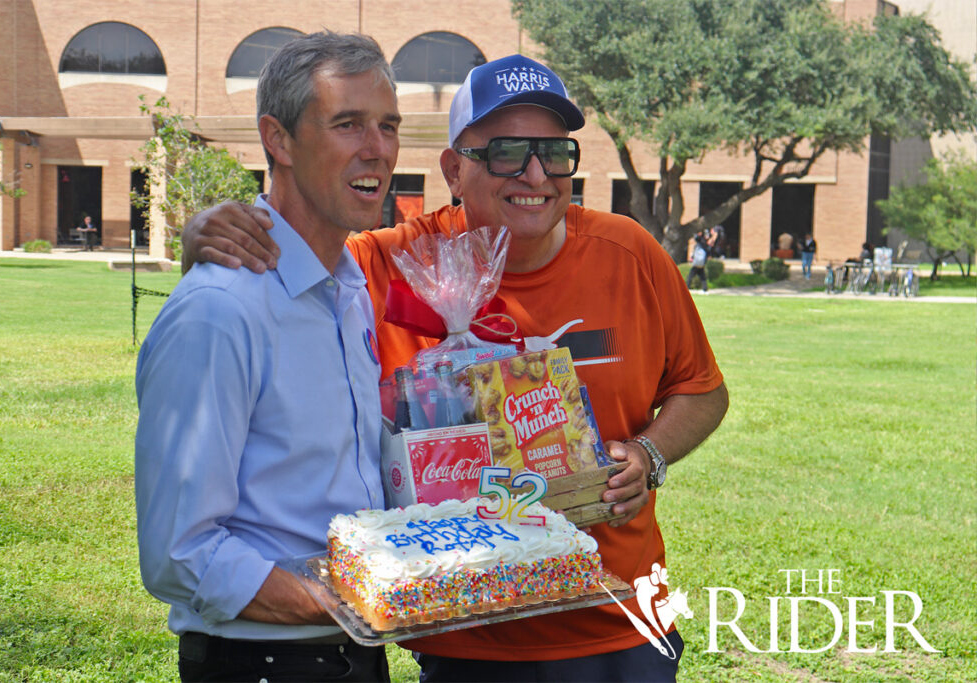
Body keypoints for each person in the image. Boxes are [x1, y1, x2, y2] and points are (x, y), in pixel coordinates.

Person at [183, 54, 729, 682]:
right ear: (453, 169)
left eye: (555, 152)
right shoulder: (380, 265)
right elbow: (281, 259)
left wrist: (649, 455)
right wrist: (207, 234)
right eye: (506, 151)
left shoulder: (629, 253)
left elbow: (702, 391)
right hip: (463, 634)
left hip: (619, 623)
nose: (535, 174)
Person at [133, 32, 400, 682]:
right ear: (277, 140)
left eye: (389, 125)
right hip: (265, 662)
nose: (379, 149)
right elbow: (180, 552)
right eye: (347, 124)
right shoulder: (220, 311)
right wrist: (347, 602)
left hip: (358, 650)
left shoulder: (350, 289)